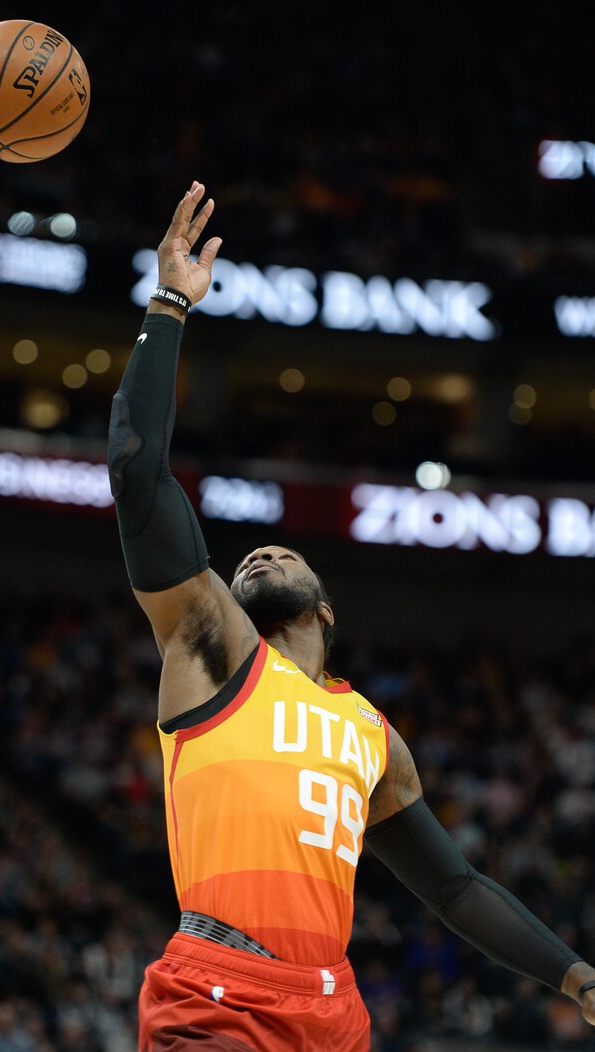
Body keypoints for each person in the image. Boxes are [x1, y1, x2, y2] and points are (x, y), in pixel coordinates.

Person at [108, 182, 595, 1052]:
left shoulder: (372, 732)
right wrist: (171, 303)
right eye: (249, 556)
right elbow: (137, 471)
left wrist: (574, 973)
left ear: (325, 609)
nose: (258, 554)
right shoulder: (214, 644)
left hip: (334, 1014)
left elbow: (455, 888)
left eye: (283, 554)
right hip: (221, 991)